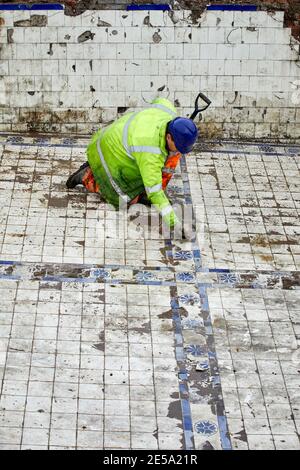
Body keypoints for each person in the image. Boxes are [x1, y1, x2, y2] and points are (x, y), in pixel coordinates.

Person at [66, 97, 198, 239]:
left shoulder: (169, 113)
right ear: (168, 137)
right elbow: (154, 190)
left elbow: (159, 100)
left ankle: (143, 192)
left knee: (169, 160)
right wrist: (175, 224)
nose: (179, 151)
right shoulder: (150, 152)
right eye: (178, 147)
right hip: (108, 151)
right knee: (123, 201)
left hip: (120, 136)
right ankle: (87, 175)